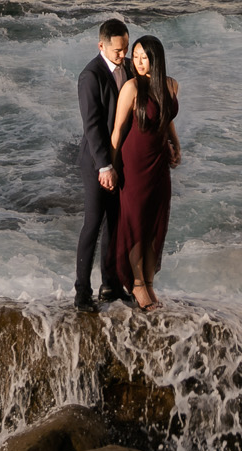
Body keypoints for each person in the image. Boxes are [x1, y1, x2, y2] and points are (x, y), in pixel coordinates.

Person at [110, 34, 181, 312]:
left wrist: (176, 143)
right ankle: (137, 283)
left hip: (159, 162)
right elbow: (117, 131)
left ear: (156, 58)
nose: (138, 62)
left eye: (144, 57)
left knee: (156, 222)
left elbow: (167, 120)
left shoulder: (172, 85)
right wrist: (111, 168)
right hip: (135, 162)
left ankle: (149, 281)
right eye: (135, 56)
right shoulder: (131, 87)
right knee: (136, 223)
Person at [74, 18, 134, 311]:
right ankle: (81, 291)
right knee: (93, 224)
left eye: (126, 49)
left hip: (122, 159)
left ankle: (110, 284)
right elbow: (93, 126)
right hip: (96, 161)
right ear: (102, 46)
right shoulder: (90, 76)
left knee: (115, 223)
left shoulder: (130, 68)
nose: (124, 56)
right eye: (118, 51)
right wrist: (104, 167)